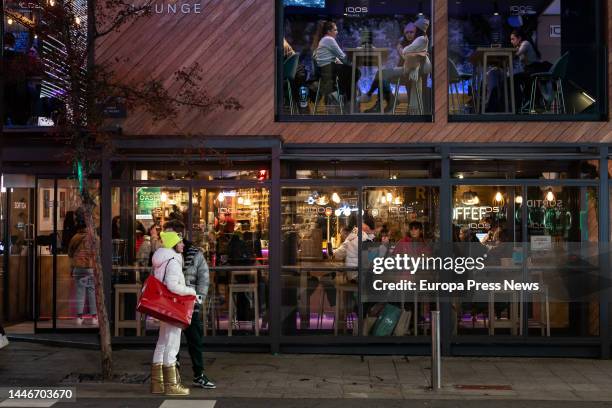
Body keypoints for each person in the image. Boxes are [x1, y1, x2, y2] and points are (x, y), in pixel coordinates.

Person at [163, 220, 215, 389]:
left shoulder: (194, 253)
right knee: (171, 341)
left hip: (190, 304)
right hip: (171, 304)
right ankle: (174, 375)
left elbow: (204, 277)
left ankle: (198, 373)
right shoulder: (164, 254)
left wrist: (199, 298)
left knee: (195, 339)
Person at [150, 231, 197, 396]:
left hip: (163, 307)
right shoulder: (173, 262)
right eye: (180, 242)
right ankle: (171, 386)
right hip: (172, 307)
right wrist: (191, 291)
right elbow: (172, 286)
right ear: (173, 245)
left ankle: (157, 383)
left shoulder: (161, 260)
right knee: (172, 343)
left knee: (162, 342)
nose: (183, 245)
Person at [363, 17, 431, 113]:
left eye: (411, 32)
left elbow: (408, 56)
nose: (409, 34)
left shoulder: (419, 41)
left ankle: (382, 100)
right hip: (406, 72)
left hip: (414, 74)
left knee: (381, 75)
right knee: (381, 76)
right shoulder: (407, 43)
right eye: (407, 32)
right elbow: (403, 61)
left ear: (416, 31)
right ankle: (384, 101)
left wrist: (400, 49)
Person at [312, 20, 360, 109]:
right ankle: (345, 98)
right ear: (328, 31)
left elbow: (336, 58)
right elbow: (343, 57)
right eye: (335, 30)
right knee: (355, 71)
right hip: (328, 70)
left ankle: (343, 97)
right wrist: (350, 62)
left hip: (325, 69)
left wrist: (343, 62)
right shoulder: (329, 39)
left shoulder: (323, 40)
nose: (337, 32)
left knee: (350, 72)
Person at [67, 215, 98, 326]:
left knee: (80, 292)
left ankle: (79, 317)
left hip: (78, 268)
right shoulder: (94, 237)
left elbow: (70, 253)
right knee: (91, 291)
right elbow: (98, 252)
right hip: (90, 268)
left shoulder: (75, 237)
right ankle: (94, 317)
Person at [510, 29, 550, 111]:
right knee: (517, 77)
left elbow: (517, 54)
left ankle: (522, 101)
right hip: (529, 70)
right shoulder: (519, 46)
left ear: (519, 38)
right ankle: (526, 100)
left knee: (515, 78)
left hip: (535, 69)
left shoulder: (525, 43)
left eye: (513, 39)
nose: (511, 41)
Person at [333, 214, 376, 281]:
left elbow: (338, 254)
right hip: (364, 275)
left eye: (362, 223)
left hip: (355, 274)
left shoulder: (357, 238)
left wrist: (331, 253)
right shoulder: (369, 239)